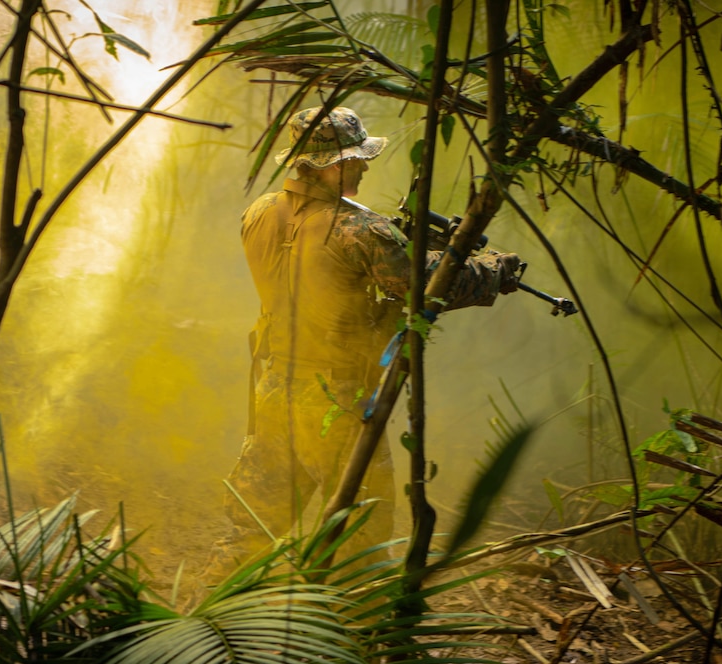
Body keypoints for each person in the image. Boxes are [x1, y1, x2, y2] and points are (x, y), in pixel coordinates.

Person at [218, 106, 522, 572]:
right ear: (329, 164)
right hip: (335, 400)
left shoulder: (258, 212)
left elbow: (330, 270)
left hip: (275, 387)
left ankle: (212, 615)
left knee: (252, 525)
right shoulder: (360, 229)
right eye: (357, 158)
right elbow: (426, 285)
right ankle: (354, 633)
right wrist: (493, 269)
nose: (364, 165)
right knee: (359, 534)